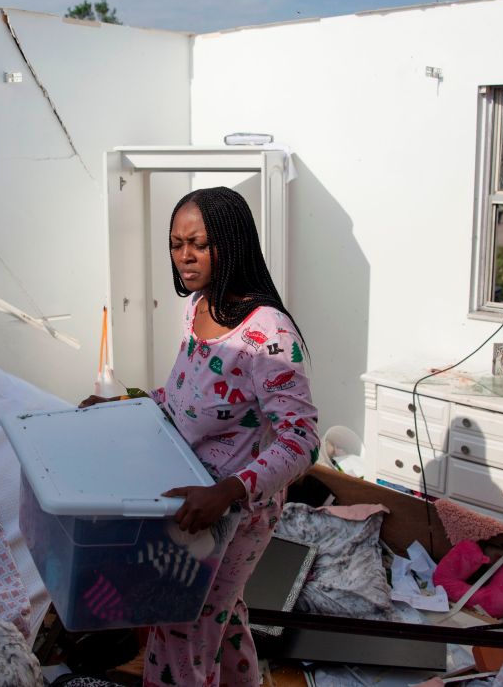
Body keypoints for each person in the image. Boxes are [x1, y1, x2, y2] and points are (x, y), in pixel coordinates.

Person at [81, 187, 319, 687]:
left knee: (182, 626)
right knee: (218, 619)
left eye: (199, 244)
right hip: (192, 498)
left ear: (230, 245)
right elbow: (182, 395)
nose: (184, 257)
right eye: (175, 244)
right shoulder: (198, 306)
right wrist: (121, 407)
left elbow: (301, 440)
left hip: (236, 509)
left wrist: (227, 492)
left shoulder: (267, 335)